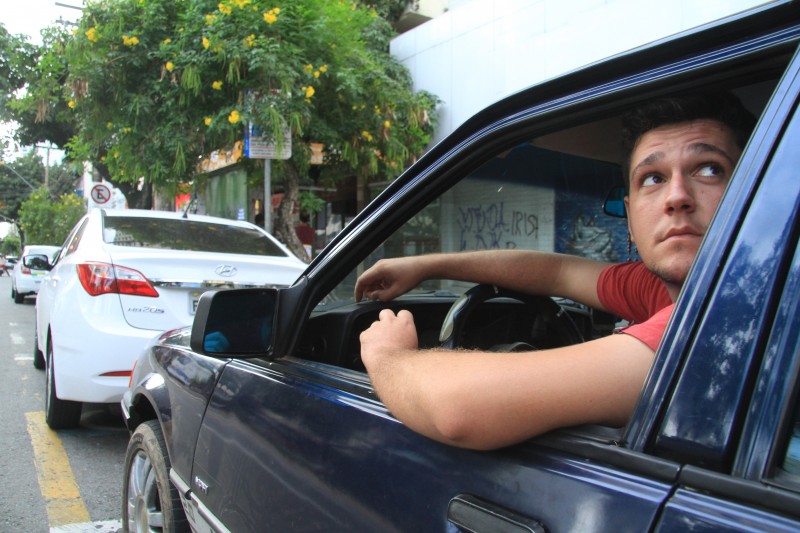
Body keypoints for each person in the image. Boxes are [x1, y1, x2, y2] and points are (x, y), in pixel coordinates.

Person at [356, 92, 756, 450]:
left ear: (753, 192)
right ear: (629, 217)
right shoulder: (662, 287)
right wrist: (427, 265)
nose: (677, 197)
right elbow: (557, 272)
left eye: (708, 169)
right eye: (653, 178)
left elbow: (457, 409)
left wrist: (387, 356)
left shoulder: (726, 314)